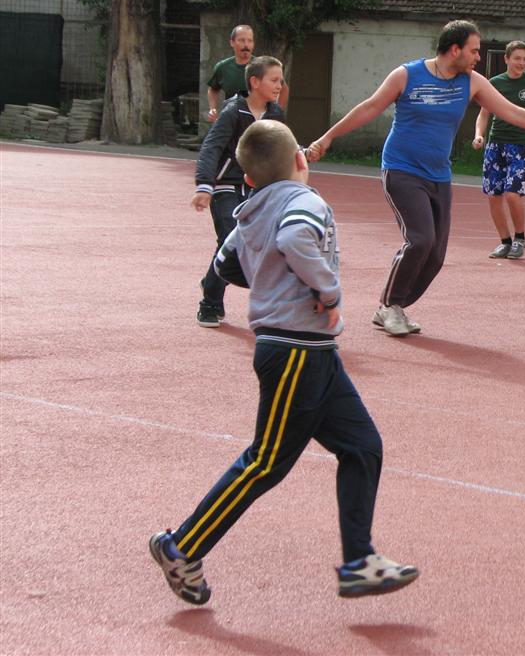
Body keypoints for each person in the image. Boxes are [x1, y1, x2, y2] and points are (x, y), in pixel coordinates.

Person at [150, 120, 418, 605]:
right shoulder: (303, 201)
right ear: (300, 159)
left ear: (248, 178)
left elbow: (225, 265)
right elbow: (296, 239)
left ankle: (360, 561)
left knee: (362, 447)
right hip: (295, 350)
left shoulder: (250, 211)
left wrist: (272, 279)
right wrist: (326, 290)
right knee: (266, 462)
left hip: (313, 352)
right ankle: (181, 546)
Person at [306, 20, 525, 337]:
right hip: (402, 169)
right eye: (474, 50)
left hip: (438, 175)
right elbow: (369, 107)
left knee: (435, 255)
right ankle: (389, 306)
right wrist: (327, 137)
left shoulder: (472, 82)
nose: (478, 57)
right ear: (455, 49)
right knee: (421, 239)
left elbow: (511, 111)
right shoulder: (407, 75)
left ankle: (395, 306)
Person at [193, 56, 286, 327]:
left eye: (281, 80)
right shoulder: (233, 111)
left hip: (255, 187)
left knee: (252, 243)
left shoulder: (275, 114)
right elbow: (211, 146)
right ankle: (210, 303)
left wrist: (300, 154)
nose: (279, 86)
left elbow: (281, 148)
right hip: (225, 184)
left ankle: (212, 280)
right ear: (255, 82)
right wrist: (204, 185)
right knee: (230, 239)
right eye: (274, 80)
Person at [472, 40, 525, 260]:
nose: (521, 63)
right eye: (517, 58)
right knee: (493, 195)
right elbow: (484, 114)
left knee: (512, 194)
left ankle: (519, 238)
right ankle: (505, 241)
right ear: (506, 59)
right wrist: (479, 135)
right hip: (495, 144)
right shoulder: (494, 83)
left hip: (521, 146)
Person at [206, 25, 289, 122]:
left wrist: (276, 113)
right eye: (242, 40)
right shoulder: (222, 67)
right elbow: (213, 89)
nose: (246, 45)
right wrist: (213, 108)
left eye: (250, 41)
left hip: (257, 122)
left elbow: (284, 89)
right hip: (232, 120)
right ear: (232, 42)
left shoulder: (263, 67)